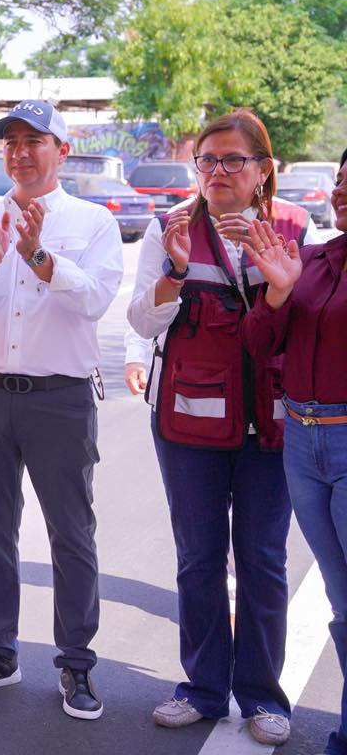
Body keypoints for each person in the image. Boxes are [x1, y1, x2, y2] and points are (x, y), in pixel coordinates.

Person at [126, 111, 309, 746]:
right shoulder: (169, 227)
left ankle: (262, 696)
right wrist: (174, 272)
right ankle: (202, 688)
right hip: (187, 422)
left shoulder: (295, 227)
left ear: (263, 169)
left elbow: (306, 324)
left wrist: (275, 280)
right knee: (198, 557)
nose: (218, 171)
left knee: (262, 560)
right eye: (207, 160)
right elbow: (142, 322)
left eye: (234, 160)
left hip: (271, 423)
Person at [0, 101, 122, 719]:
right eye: (10, 142)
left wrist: (40, 255)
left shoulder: (93, 221)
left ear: (61, 151)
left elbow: (95, 300)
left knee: (71, 535)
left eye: (33, 141)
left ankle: (76, 662)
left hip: (60, 399)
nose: (19, 153)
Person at [242, 149, 347, 755]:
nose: (341, 192)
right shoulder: (313, 260)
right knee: (342, 599)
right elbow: (260, 343)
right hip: (304, 442)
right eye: (340, 181)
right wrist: (279, 293)